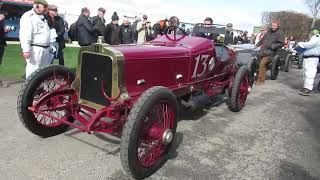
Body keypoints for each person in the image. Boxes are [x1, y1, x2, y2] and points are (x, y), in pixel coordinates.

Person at [19, 0, 54, 78]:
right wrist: (26, 50)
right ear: (37, 6)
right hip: (35, 49)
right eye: (44, 7)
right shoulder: (28, 16)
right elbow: (25, 34)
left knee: (43, 73)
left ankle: (40, 89)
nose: (46, 9)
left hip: (45, 49)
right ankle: (30, 89)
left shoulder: (43, 17)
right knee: (32, 72)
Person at [255, 21, 284, 85]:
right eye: (272, 25)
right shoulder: (269, 31)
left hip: (271, 52)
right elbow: (263, 39)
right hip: (263, 50)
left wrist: (274, 46)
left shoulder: (280, 33)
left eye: (275, 26)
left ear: (277, 26)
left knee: (262, 64)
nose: (273, 27)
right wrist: (257, 45)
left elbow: (281, 43)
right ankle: (261, 79)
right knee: (260, 64)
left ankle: (260, 80)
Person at [297, 29, 320, 96]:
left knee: (310, 73)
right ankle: (306, 87)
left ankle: (308, 89)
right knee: (307, 73)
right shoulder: (314, 37)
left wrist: (300, 44)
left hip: (312, 57)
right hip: (308, 57)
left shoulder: (317, 37)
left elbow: (310, 45)